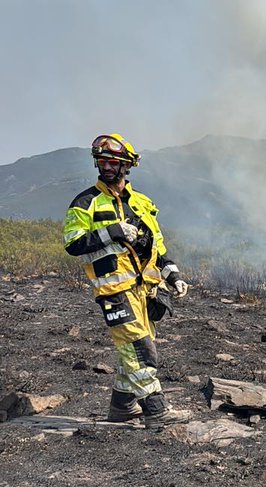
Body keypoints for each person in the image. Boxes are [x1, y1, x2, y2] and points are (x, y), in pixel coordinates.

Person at [63, 134, 191, 427]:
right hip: (113, 290)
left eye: (112, 162)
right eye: (101, 161)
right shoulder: (86, 202)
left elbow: (156, 246)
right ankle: (156, 410)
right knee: (138, 347)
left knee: (132, 349)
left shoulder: (143, 203)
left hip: (146, 289)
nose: (106, 167)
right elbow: (73, 244)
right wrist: (113, 231)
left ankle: (122, 407)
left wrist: (172, 275)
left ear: (127, 165)